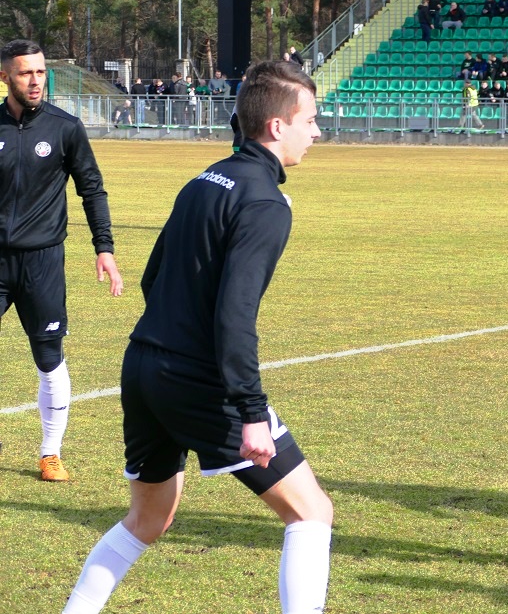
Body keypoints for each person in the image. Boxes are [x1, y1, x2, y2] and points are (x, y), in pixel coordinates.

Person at [61, 60, 331, 613]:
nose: (317, 132)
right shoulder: (265, 202)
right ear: (277, 126)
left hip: (142, 366)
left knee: (148, 520)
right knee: (311, 513)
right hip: (197, 380)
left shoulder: (205, 179)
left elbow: (152, 277)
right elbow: (235, 316)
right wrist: (251, 411)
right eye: (310, 120)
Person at [0, 40, 123, 483]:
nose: (35, 81)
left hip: (43, 262)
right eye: (25, 73)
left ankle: (50, 453)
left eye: (40, 72)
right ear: (5, 78)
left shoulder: (65, 128)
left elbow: (92, 189)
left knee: (49, 355)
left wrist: (104, 248)